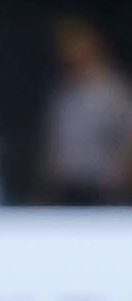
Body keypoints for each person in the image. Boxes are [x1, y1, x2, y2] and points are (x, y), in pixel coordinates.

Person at [40, 17, 132, 205]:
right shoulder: (63, 90)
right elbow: (53, 140)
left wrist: (121, 178)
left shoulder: (112, 90)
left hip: (102, 189)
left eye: (75, 43)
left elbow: (128, 138)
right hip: (65, 187)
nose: (70, 51)